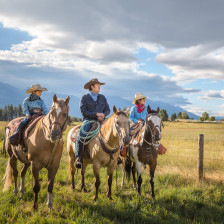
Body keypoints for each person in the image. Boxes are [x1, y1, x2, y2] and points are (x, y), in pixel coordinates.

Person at [76, 78, 110, 168]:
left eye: (99, 85)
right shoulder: (84, 98)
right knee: (81, 135)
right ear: (92, 86)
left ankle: (114, 156)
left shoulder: (102, 97)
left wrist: (103, 114)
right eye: (98, 85)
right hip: (88, 121)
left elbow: (108, 109)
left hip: (102, 120)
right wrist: (96, 114)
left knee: (113, 132)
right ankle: (78, 157)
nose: (99, 87)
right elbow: (84, 112)